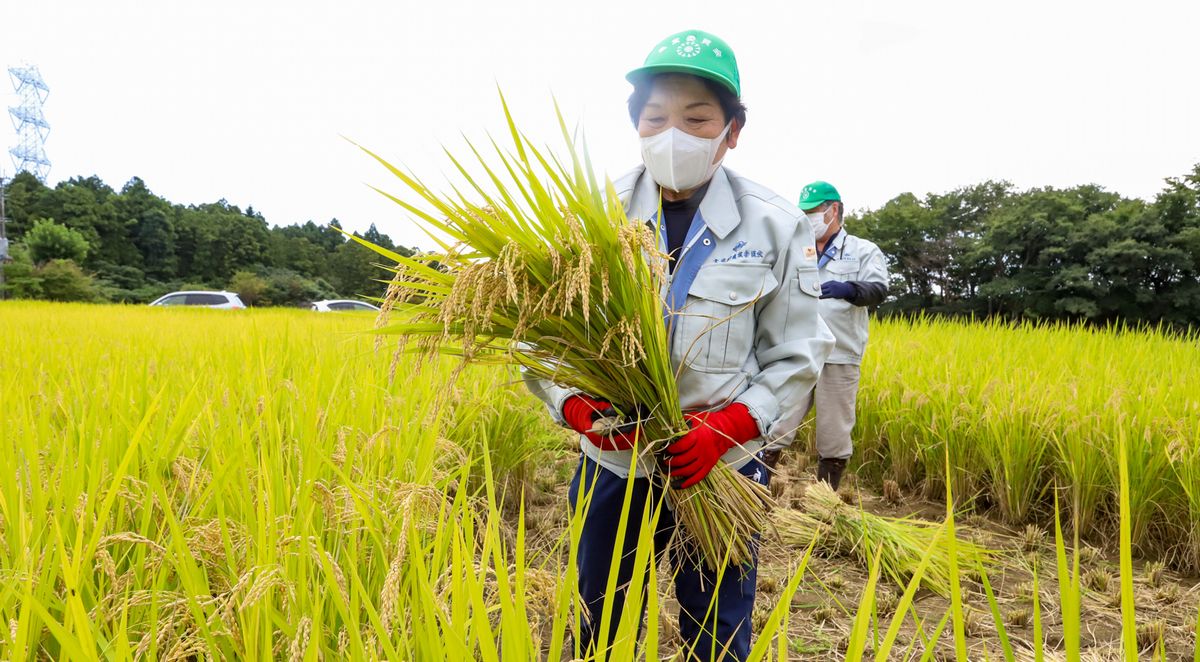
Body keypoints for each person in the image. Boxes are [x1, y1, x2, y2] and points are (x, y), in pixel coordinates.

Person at [524, 29, 833, 662]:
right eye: (656, 117)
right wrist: (575, 407)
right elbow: (542, 337)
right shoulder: (592, 216)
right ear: (635, 124)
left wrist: (732, 424)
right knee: (598, 620)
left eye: (697, 119)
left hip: (718, 467)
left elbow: (799, 351)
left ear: (732, 131)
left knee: (716, 628)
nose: (674, 134)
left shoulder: (775, 223)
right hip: (616, 463)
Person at [761, 181, 888, 489]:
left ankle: (824, 499)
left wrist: (850, 289)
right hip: (797, 351)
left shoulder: (862, 250)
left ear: (833, 210)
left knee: (834, 432)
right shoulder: (795, 249)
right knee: (776, 423)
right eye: (803, 212)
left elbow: (878, 290)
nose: (808, 218)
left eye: (814, 211)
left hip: (839, 353)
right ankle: (756, 489)